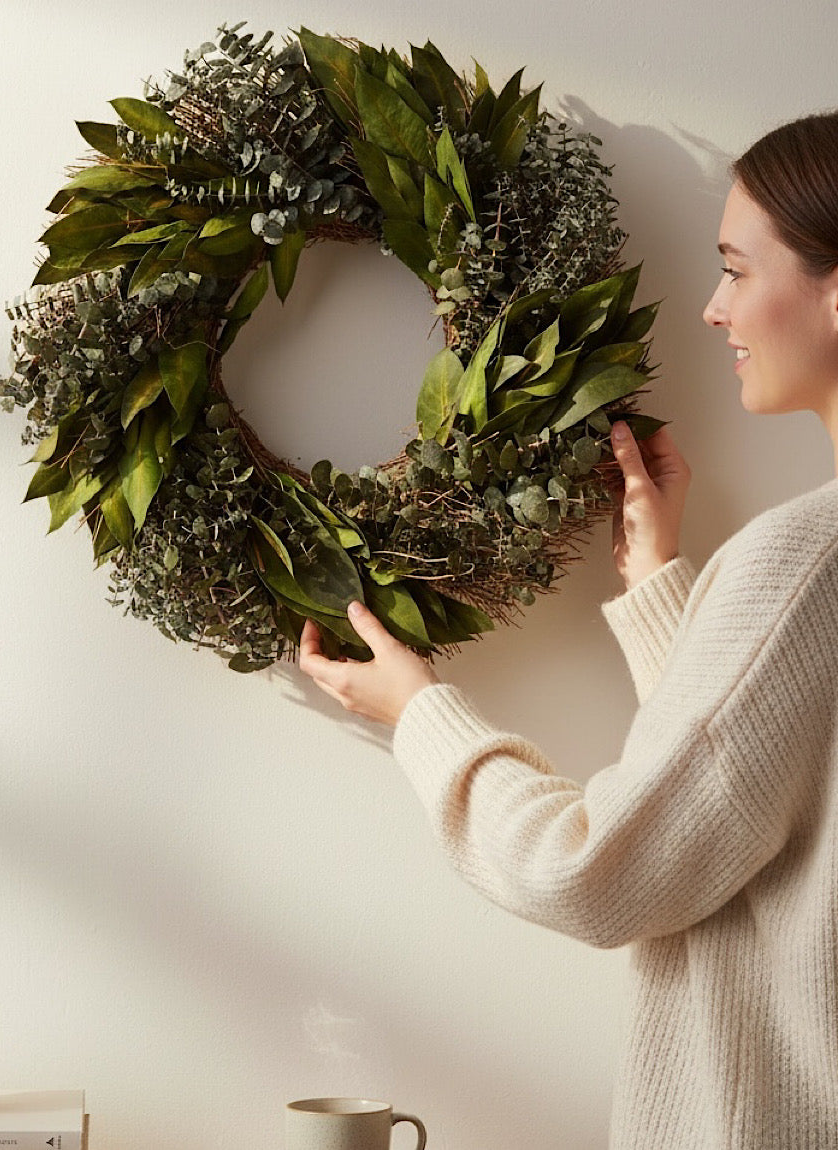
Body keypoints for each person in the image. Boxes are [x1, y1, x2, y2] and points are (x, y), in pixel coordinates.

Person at [299, 112, 838, 1149]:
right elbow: (777, 793)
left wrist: (420, 714)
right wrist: (663, 593)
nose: (715, 308)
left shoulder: (802, 564)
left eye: (735, 268)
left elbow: (592, 874)